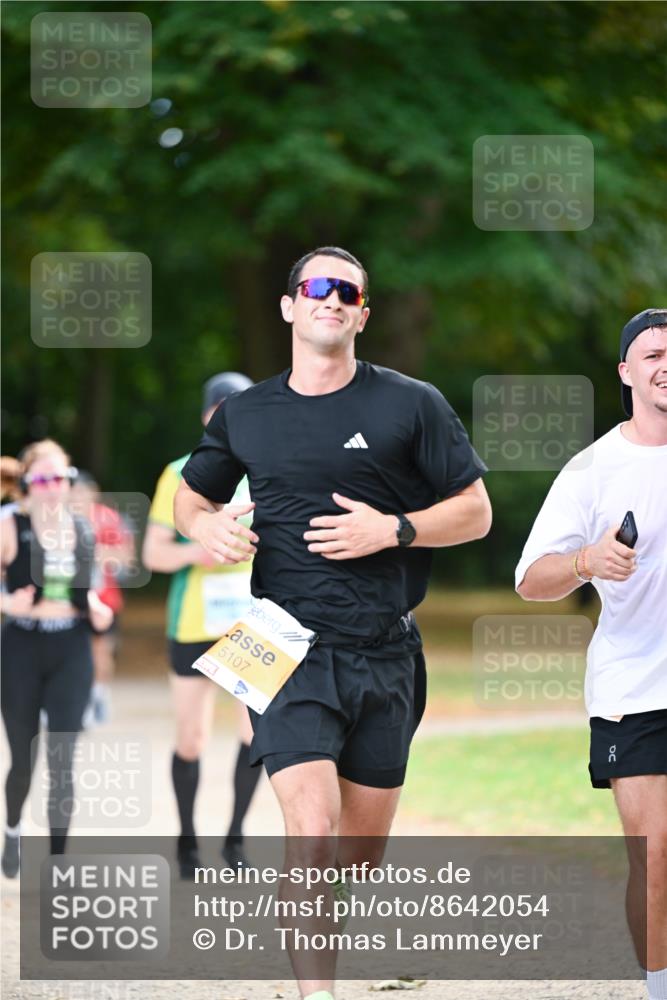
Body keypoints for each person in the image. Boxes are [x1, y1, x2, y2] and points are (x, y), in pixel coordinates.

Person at [174, 246, 492, 1000]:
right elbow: (193, 497)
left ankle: (315, 928)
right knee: (309, 831)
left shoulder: (410, 404)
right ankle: (318, 993)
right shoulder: (247, 412)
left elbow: (475, 512)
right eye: (316, 287)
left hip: (384, 646)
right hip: (274, 639)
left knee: (356, 855)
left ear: (363, 313)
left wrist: (396, 531)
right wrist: (206, 529)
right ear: (288, 306)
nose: (332, 298)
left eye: (347, 290)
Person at [515, 308, 667, 1000]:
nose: (665, 364)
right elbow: (529, 579)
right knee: (656, 852)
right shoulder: (594, 467)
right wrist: (586, 559)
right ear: (626, 372)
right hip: (634, 688)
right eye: (652, 353)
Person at [142, 372, 262, 878]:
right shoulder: (179, 472)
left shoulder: (268, 466)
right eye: (223, 408)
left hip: (254, 621)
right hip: (194, 621)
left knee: (256, 734)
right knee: (191, 737)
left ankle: (235, 838)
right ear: (207, 416)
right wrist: (203, 548)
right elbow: (152, 553)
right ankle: (187, 841)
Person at [0, 440, 113, 877]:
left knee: (63, 762)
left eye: (59, 479)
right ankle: (12, 829)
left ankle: (59, 864)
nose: (52, 488)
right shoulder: (11, 523)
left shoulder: (81, 528)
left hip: (71, 648)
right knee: (24, 761)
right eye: (42, 479)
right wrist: (10, 604)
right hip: (21, 650)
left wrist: (99, 611)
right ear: (28, 483)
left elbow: (91, 593)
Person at [69, 471, 135, 725]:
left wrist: (90, 553)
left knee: (100, 650)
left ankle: (98, 696)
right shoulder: (59, 519)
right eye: (73, 491)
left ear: (93, 492)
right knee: (72, 651)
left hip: (104, 596)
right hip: (69, 599)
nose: (77, 497)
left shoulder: (108, 518)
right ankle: (75, 699)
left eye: (82, 491)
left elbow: (126, 558)